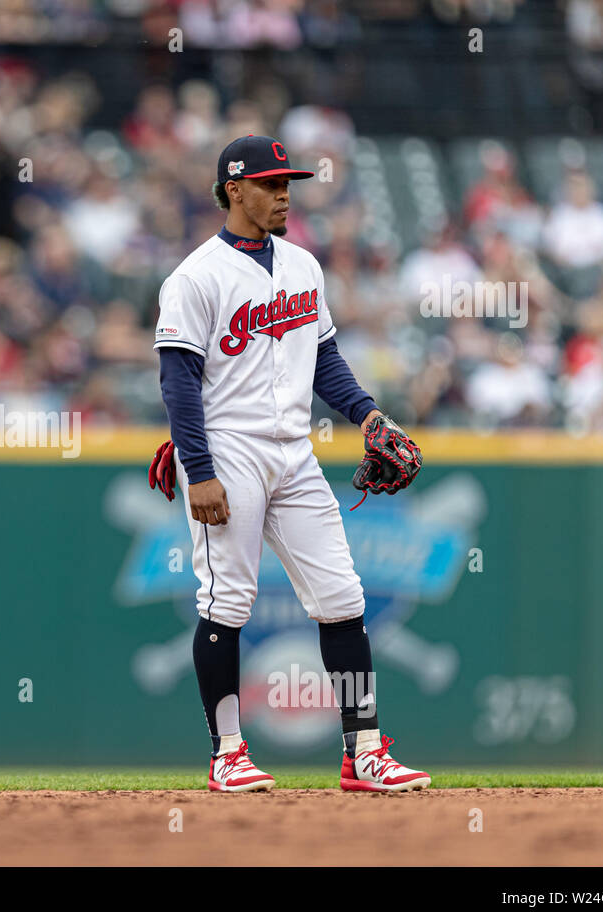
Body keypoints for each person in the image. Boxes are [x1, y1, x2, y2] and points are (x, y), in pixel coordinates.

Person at [148, 135, 430, 793]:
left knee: (343, 598)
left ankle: (363, 753)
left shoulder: (303, 265)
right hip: (228, 450)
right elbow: (178, 380)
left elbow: (323, 357)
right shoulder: (195, 277)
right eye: (271, 184)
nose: (284, 195)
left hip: (294, 451)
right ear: (233, 190)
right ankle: (227, 754)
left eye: (288, 184)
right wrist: (200, 467)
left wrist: (367, 415)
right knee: (227, 602)